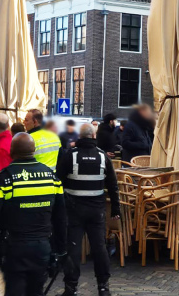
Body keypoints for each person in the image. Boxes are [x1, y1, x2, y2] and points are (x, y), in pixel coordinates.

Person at [0, 132, 67, 296]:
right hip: (42, 247)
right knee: (36, 291)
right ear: (34, 150)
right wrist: (60, 250)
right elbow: (61, 218)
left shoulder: (3, 179)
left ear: (11, 152)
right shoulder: (52, 178)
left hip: (14, 248)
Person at [56, 124, 120, 296]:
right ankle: (103, 287)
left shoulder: (70, 156)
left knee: (74, 248)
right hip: (96, 210)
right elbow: (113, 185)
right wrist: (115, 208)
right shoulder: (103, 156)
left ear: (80, 136)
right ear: (93, 136)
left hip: (74, 209)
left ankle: (71, 288)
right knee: (99, 248)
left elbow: (58, 181)